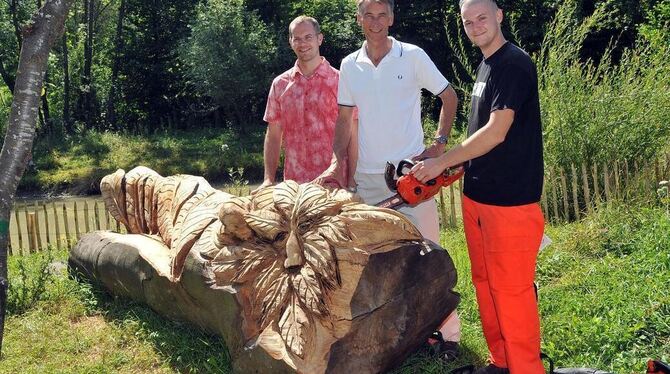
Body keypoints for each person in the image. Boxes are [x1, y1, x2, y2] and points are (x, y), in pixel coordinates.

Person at [314, 0, 462, 360]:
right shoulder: (350, 65)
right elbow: (344, 119)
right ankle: (392, 332)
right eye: (368, 14)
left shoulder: (411, 56)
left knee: (430, 254)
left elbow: (449, 96)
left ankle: (448, 335)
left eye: (382, 15)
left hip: (412, 175)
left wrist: (438, 144)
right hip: (368, 177)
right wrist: (337, 163)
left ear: (392, 18)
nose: (375, 22)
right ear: (358, 19)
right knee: (375, 260)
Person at [410, 0, 545, 373]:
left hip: (511, 202)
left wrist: (443, 161)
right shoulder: (486, 65)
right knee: (485, 283)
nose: (474, 26)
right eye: (467, 21)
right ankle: (502, 361)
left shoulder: (514, 63)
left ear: (500, 16)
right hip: (479, 197)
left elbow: (497, 132)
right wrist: (447, 162)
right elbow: (478, 135)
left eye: (481, 17)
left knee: (512, 292)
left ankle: (526, 368)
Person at [257, 16, 356, 190]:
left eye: (308, 37)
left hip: (334, 184)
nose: (303, 43)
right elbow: (273, 136)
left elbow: (353, 134)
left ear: (320, 38)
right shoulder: (280, 85)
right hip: (295, 186)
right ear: (290, 42)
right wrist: (268, 179)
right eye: (297, 38)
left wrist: (352, 181)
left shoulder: (341, 82)